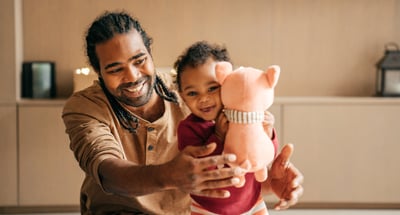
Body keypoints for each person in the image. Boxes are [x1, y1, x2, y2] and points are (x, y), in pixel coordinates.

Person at [62, 11, 304, 215]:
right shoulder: (84, 107)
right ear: (98, 71)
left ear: (150, 53)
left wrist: (267, 179)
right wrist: (167, 175)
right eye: (115, 69)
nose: (133, 76)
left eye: (139, 60)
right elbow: (107, 170)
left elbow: (237, 146)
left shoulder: (189, 90)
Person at [175, 41, 279, 215]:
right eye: (193, 93)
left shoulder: (247, 118)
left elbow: (265, 157)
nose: (204, 99)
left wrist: (267, 133)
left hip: (252, 202)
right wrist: (218, 136)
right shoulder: (188, 129)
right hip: (208, 208)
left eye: (212, 88)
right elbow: (199, 171)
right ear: (182, 97)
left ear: (228, 82)